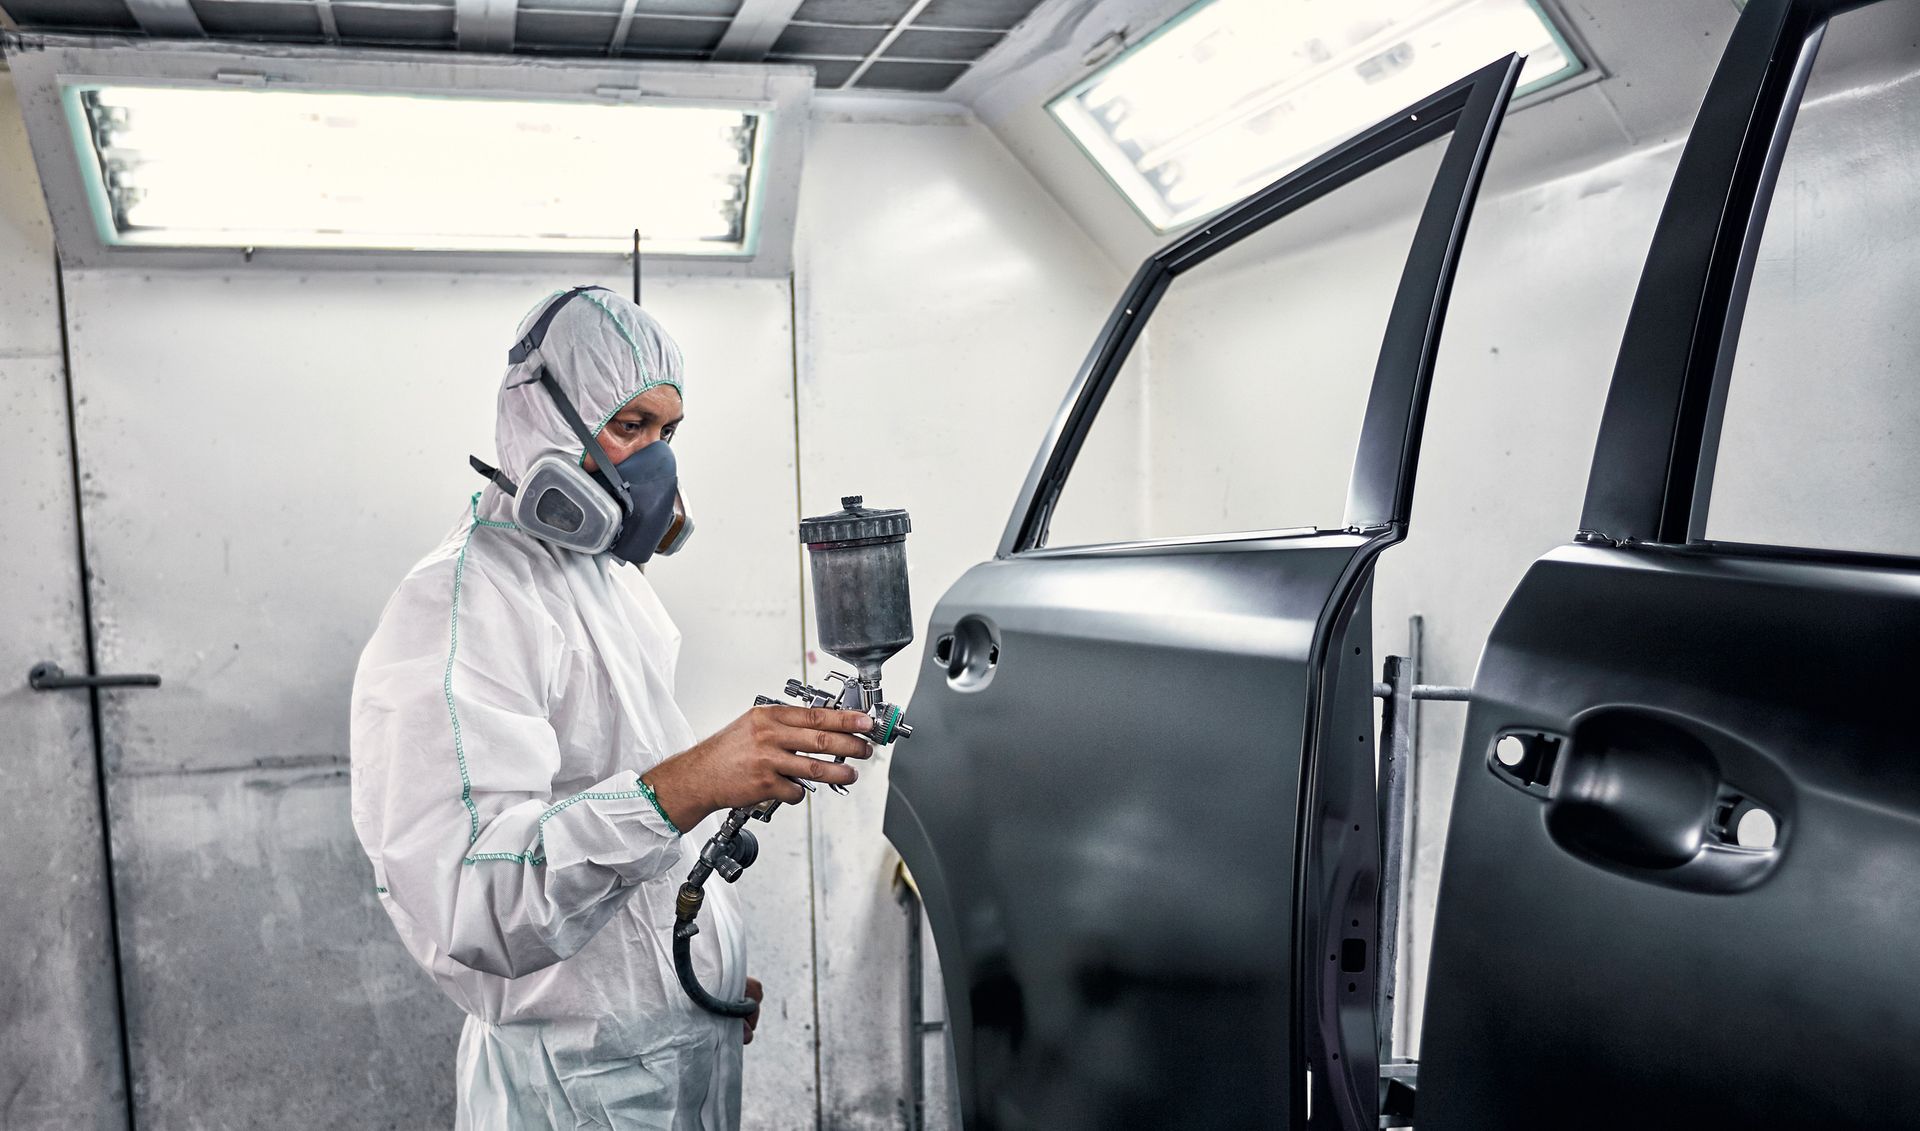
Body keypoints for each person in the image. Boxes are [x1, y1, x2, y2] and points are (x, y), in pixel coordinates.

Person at [350, 286, 873, 1130]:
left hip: (665, 1044)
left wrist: (702, 968)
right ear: (543, 420)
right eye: (630, 427)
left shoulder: (596, 579)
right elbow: (471, 903)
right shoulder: (458, 605)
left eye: (667, 434)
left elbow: (627, 832)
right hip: (577, 1085)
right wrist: (693, 782)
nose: (654, 464)